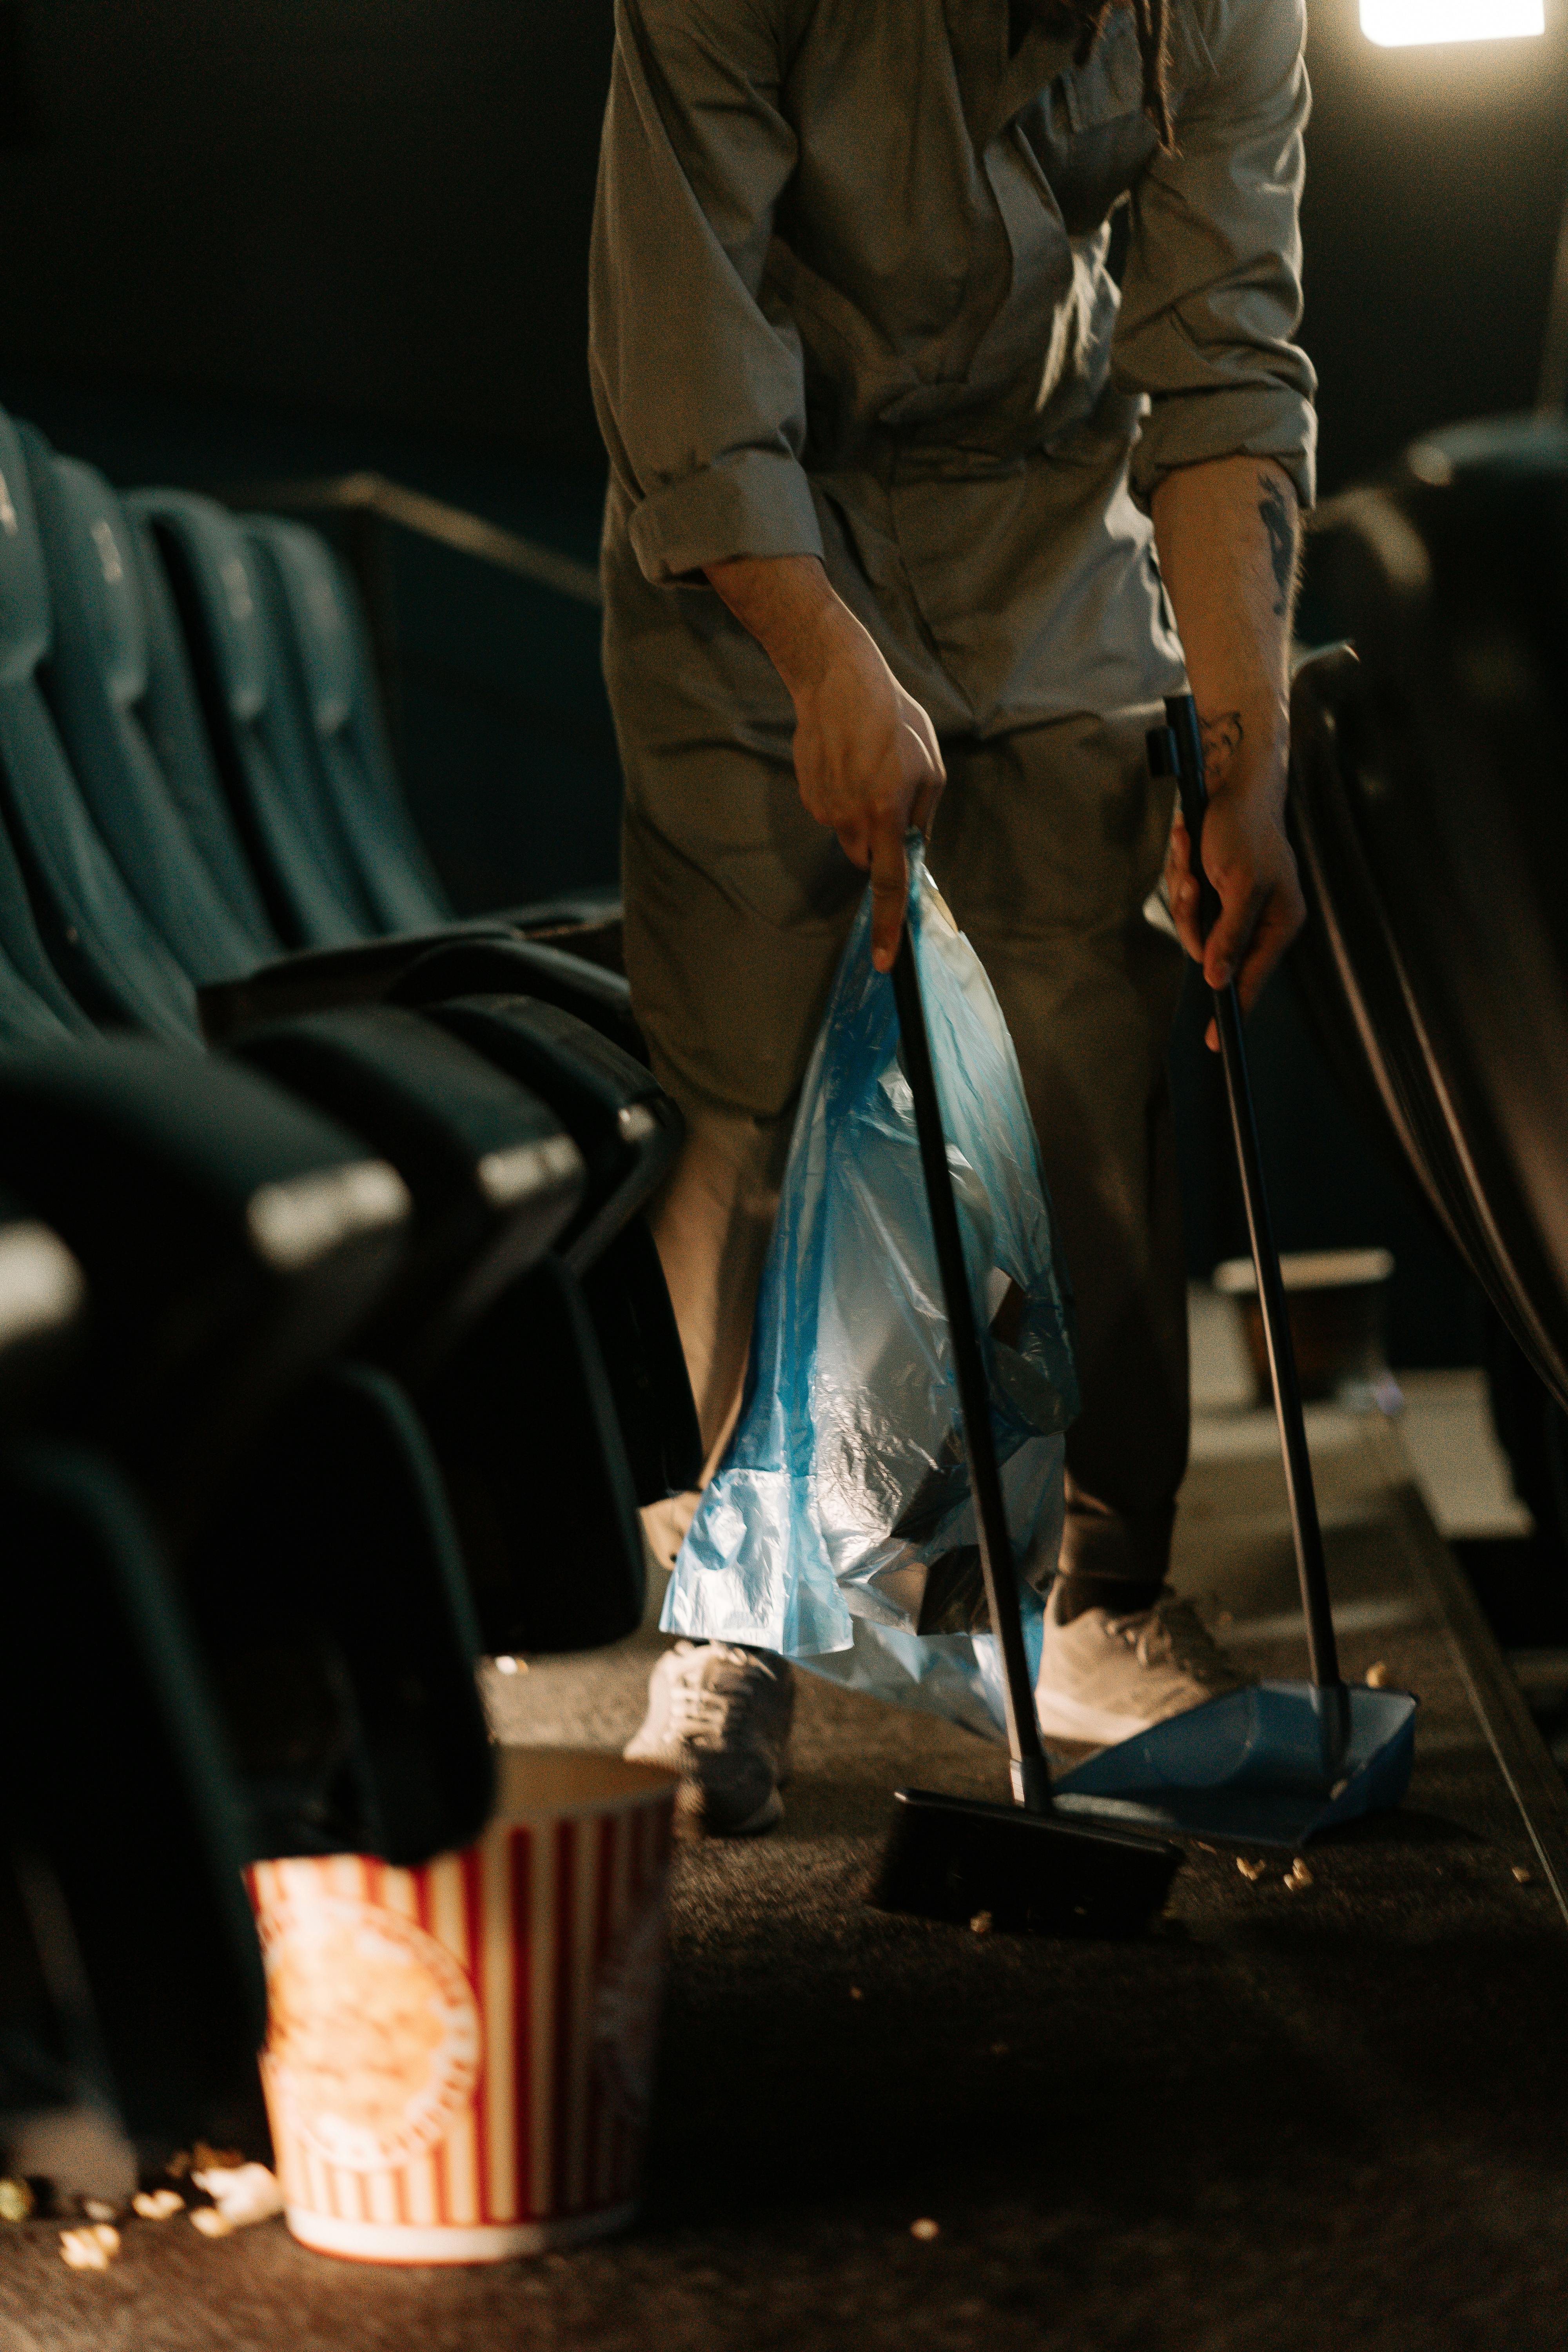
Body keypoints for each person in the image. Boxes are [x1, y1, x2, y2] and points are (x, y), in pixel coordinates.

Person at [591, 0, 1314, 1833]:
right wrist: (826, 660)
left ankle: (1097, 1588)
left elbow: (1223, 345)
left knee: (1099, 1018)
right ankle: (734, 1610)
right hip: (765, 514)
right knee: (746, 1081)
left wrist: (1245, 752)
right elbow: (688, 334)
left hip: (1042, 512)